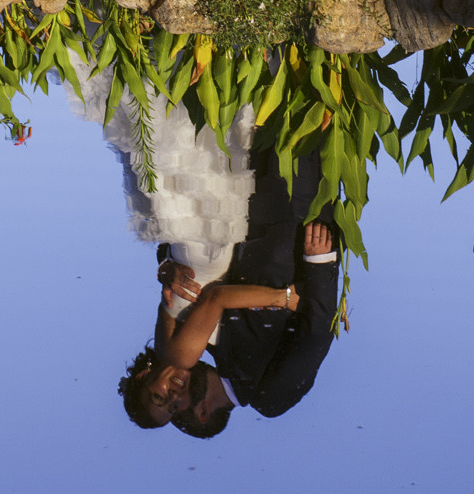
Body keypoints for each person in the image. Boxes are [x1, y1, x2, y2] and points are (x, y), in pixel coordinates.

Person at [118, 149, 342, 435]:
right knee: (309, 122)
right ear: (201, 413)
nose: (176, 397)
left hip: (247, 192)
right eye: (176, 409)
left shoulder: (208, 344)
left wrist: (166, 266)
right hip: (297, 216)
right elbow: (317, 335)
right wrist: (320, 263)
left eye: (162, 398)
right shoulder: (269, 399)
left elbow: (195, 261)